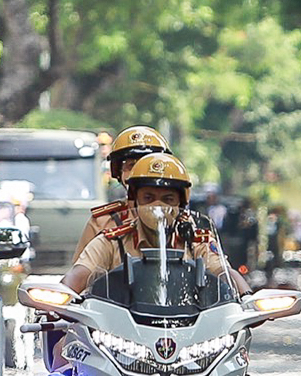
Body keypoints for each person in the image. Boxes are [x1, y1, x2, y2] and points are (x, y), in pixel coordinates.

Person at [63, 154, 245, 295]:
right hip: (116, 335)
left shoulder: (197, 242)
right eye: (148, 198)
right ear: (135, 201)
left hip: (189, 333)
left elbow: (223, 271)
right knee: (64, 344)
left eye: (168, 199)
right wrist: (62, 295)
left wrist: (247, 296)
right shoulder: (110, 241)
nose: (158, 207)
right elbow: (78, 275)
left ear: (180, 204)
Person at [72, 125, 171, 262]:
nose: (138, 173)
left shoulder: (186, 225)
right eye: (131, 166)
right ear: (118, 172)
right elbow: (80, 276)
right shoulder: (102, 223)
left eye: (147, 165)